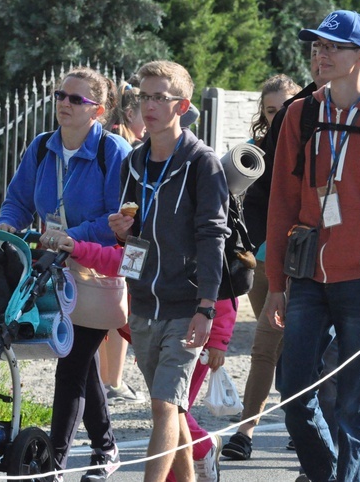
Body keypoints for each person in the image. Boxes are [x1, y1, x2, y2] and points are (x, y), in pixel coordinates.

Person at [264, 10, 360, 482]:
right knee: (293, 393)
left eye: (333, 46)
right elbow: (281, 203)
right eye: (317, 46)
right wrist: (275, 282)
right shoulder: (300, 112)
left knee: (355, 404)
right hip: (308, 276)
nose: (321, 54)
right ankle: (327, 473)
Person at [0, 66, 132, 482]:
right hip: (48, 270)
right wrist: (7, 223)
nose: (63, 104)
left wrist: (69, 238)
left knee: (69, 364)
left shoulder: (115, 152)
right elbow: (17, 200)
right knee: (79, 362)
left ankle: (53, 465)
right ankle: (106, 449)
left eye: (75, 99)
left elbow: (116, 219)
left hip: (94, 270)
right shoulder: (40, 148)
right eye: (59, 96)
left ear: (99, 111)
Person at [108, 60, 229, 482]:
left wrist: (207, 308)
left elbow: (213, 238)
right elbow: (137, 238)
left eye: (160, 97)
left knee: (162, 405)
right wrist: (124, 237)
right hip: (143, 302)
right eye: (144, 96)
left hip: (186, 304)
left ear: (182, 105)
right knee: (173, 407)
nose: (149, 105)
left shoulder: (203, 163)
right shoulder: (133, 163)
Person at [221, 73, 305, 461]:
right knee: (270, 345)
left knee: (284, 345)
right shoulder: (254, 151)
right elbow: (236, 203)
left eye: (286, 109)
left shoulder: (314, 146)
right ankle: (276, 426)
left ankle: (253, 430)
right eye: (272, 111)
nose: (278, 118)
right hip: (264, 259)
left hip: (304, 259)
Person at [100, 80, 147, 406]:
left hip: (119, 243)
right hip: (119, 245)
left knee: (108, 312)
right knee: (118, 312)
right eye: (145, 108)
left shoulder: (124, 142)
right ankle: (112, 381)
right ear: (130, 112)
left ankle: (108, 379)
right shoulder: (124, 147)